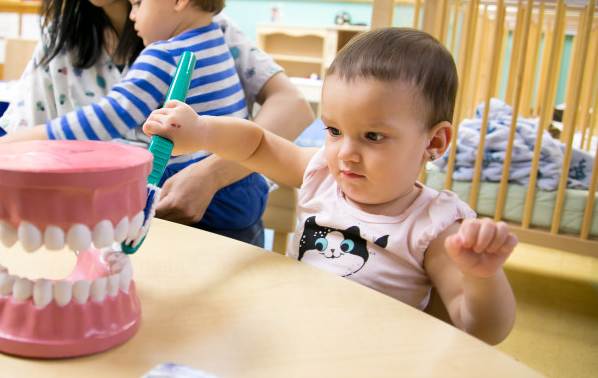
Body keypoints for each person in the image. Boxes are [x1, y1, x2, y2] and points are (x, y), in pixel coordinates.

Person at [143, 27, 519, 345]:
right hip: (291, 337)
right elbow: (257, 143)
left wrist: (482, 277)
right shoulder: (322, 173)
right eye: (335, 131)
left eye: (373, 136)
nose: (346, 154)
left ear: (434, 143)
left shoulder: (433, 225)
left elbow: (481, 330)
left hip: (364, 366)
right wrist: (203, 131)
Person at [0, 0, 314, 245]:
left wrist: (209, 174)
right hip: (98, 230)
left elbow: (294, 108)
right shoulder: (59, 41)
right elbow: (31, 151)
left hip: (195, 223)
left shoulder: (205, 27)